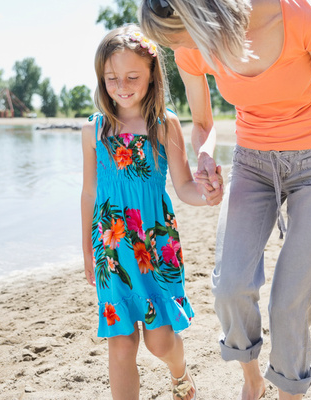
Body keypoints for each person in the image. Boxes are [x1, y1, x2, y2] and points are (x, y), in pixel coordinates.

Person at [139, 0, 311, 400]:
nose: (186, 49)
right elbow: (204, 123)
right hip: (252, 163)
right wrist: (205, 158)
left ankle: (289, 392)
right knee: (230, 285)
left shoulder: (295, 15)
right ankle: (252, 382)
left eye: (185, 35)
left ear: (201, 11)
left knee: (290, 301)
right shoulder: (188, 47)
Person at [80, 24, 222, 400]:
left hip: (154, 246)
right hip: (111, 247)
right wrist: (87, 252)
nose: (121, 86)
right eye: (111, 78)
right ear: (101, 78)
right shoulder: (93, 130)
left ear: (152, 76)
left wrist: (206, 194)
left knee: (160, 342)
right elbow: (89, 193)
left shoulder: (164, 125)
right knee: (121, 343)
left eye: (132, 77)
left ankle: (179, 372)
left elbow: (185, 186)